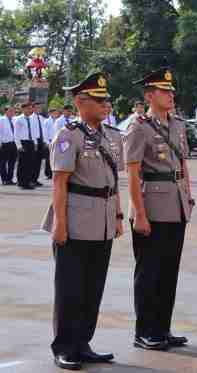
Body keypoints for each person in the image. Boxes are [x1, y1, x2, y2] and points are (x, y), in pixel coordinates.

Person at [42, 72, 122, 370]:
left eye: (106, 101)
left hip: (101, 221)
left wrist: (116, 215)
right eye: (99, 101)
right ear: (80, 102)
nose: (105, 106)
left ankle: (83, 343)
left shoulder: (111, 136)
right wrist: (59, 224)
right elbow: (59, 183)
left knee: (93, 288)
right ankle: (64, 346)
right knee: (70, 289)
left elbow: (113, 182)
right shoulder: (68, 136)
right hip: (75, 220)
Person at [125, 67, 194, 351]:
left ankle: (162, 328)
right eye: (165, 91)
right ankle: (145, 331)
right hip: (151, 206)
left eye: (171, 91)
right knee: (149, 272)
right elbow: (132, 172)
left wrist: (187, 195)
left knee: (169, 271)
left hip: (176, 205)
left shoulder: (177, 124)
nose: (171, 95)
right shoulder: (139, 127)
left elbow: (183, 164)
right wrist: (139, 213)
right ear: (150, 95)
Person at [14, 102, 41, 190]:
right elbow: (16, 134)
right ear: (23, 109)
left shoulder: (31, 119)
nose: (30, 110)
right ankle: (21, 181)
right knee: (22, 163)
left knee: (30, 163)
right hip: (23, 142)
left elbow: (33, 132)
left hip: (31, 142)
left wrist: (35, 143)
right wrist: (19, 146)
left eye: (30, 108)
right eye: (28, 108)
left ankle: (28, 181)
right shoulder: (19, 119)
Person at [0, 106, 17, 185]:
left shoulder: (14, 120)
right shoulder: (1, 120)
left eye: (13, 111)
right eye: (10, 111)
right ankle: (4, 179)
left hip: (14, 143)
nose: (12, 112)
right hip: (4, 144)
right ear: (6, 111)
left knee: (12, 162)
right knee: (3, 162)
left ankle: (10, 179)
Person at [32, 102, 48, 186]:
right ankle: (31, 179)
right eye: (37, 107)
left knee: (39, 161)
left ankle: (35, 179)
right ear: (33, 108)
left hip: (41, 141)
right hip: (34, 141)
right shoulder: (30, 118)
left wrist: (45, 141)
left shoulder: (42, 118)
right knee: (33, 161)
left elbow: (44, 131)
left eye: (40, 108)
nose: (39, 109)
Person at [42, 108, 60, 180]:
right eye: (54, 113)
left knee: (55, 158)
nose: (56, 114)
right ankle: (48, 173)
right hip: (49, 140)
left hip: (57, 141)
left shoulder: (58, 121)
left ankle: (54, 172)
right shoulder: (46, 121)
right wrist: (47, 142)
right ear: (50, 113)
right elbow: (45, 132)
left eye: (57, 113)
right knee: (48, 158)